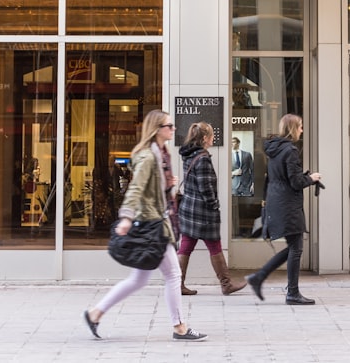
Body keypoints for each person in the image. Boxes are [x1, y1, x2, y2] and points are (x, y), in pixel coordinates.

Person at [82, 110, 206, 341]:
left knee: (139, 279)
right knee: (173, 274)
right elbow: (136, 188)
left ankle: (95, 313)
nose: (173, 129)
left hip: (156, 221)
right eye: (169, 125)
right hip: (153, 224)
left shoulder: (161, 155)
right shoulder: (150, 157)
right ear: (157, 129)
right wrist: (127, 217)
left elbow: (153, 191)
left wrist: (168, 186)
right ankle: (179, 327)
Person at [246, 114, 323, 305]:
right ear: (293, 128)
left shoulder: (275, 149)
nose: (302, 130)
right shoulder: (290, 150)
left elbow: (282, 177)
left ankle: (260, 278)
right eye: (300, 126)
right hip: (288, 203)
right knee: (296, 248)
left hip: (277, 200)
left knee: (293, 246)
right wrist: (311, 178)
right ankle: (292, 292)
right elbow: (295, 182)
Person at [177, 122, 247, 296]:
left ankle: (177, 285)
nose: (214, 137)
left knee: (185, 246)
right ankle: (226, 284)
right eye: (212, 135)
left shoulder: (189, 155)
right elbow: (206, 187)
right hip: (203, 212)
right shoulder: (203, 158)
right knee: (214, 245)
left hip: (189, 209)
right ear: (204, 138)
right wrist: (214, 205)